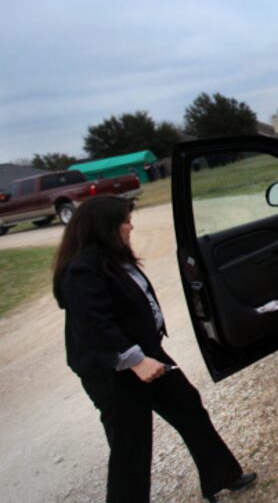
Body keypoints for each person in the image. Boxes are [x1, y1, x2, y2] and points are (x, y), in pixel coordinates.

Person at [52, 196, 256, 503]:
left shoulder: (113, 257)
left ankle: (221, 475)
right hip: (114, 371)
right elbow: (95, 324)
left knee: (189, 408)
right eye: (125, 220)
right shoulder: (81, 270)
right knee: (130, 445)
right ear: (104, 226)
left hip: (145, 354)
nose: (131, 225)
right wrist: (135, 360)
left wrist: (146, 352)